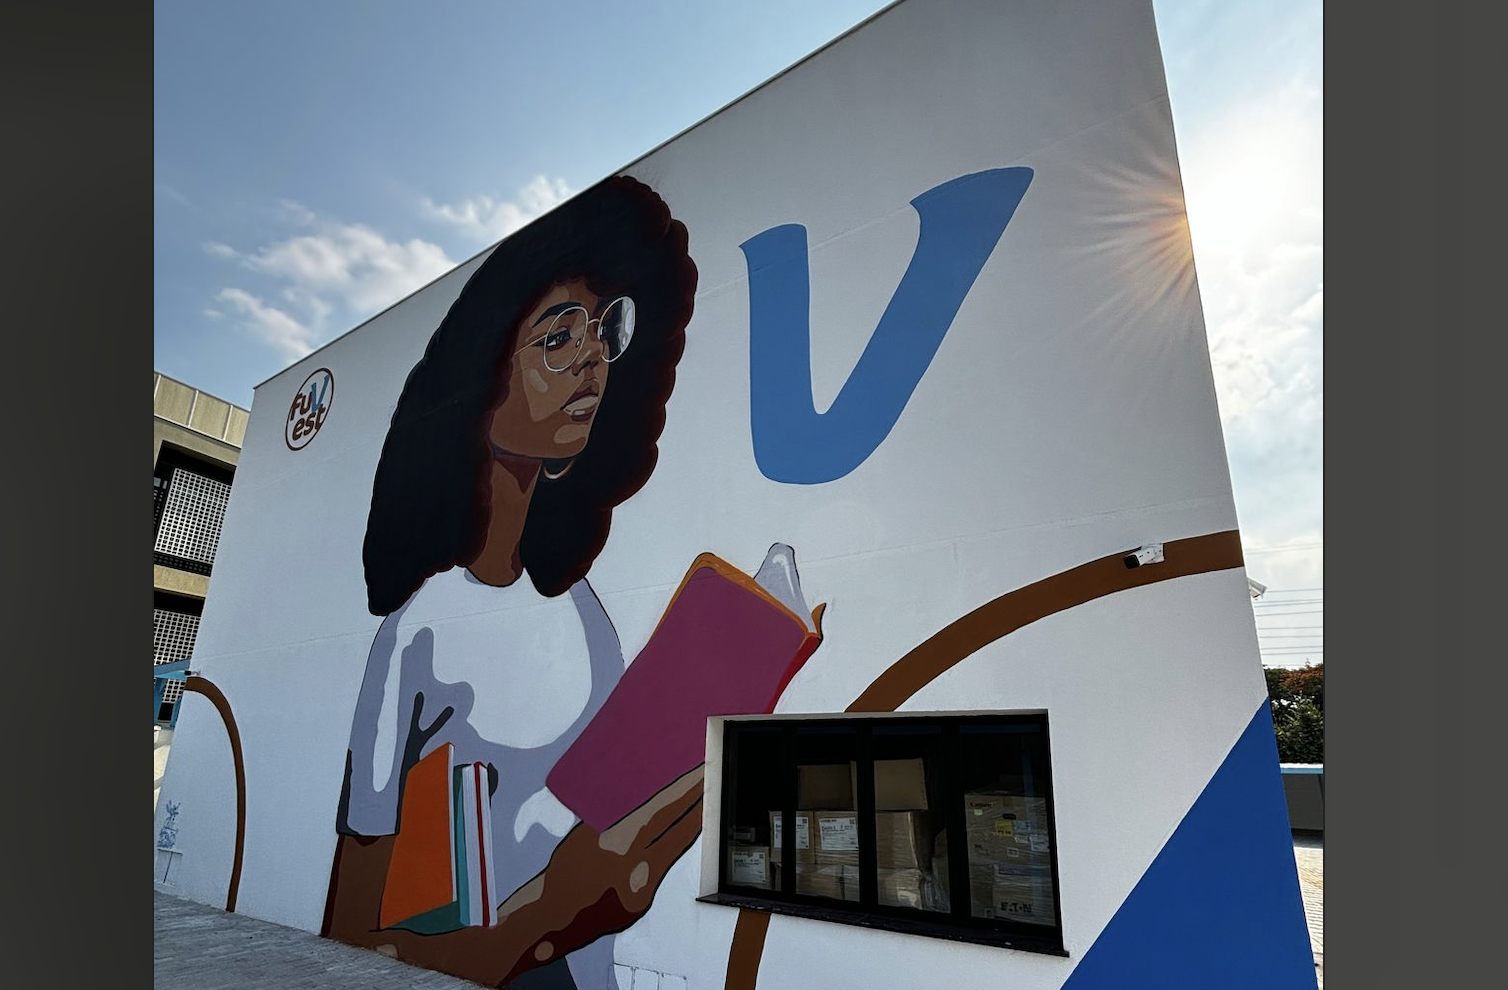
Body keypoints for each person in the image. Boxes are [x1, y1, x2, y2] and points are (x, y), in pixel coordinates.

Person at [321, 175, 705, 990]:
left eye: (603, 331)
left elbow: (601, 816)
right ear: (483, 375)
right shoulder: (419, 631)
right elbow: (350, 934)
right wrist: (555, 915)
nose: (593, 357)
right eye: (558, 338)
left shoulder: (585, 615)